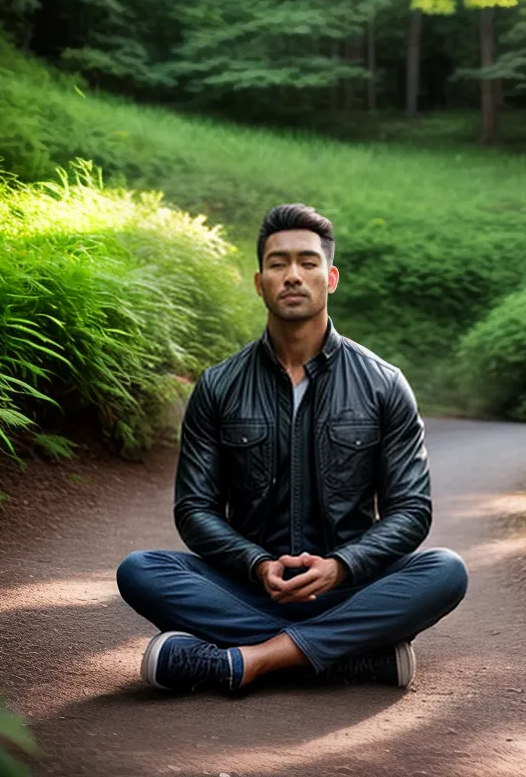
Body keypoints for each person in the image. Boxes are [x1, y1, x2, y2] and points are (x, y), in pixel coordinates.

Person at [116, 203, 468, 694]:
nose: (293, 275)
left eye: (307, 262)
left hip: (350, 589)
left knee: (446, 570)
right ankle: (354, 657)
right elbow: (195, 509)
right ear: (259, 282)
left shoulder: (384, 384)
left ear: (331, 277)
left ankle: (250, 659)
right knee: (141, 570)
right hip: (249, 588)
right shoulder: (219, 386)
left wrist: (341, 566)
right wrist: (257, 564)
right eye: (278, 264)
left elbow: (409, 511)